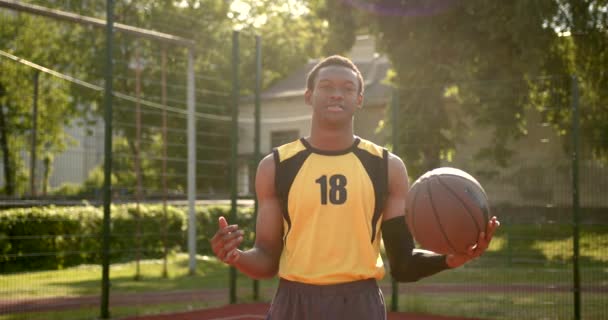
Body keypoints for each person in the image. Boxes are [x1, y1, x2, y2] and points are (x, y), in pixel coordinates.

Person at [211, 55, 500, 320]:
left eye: (348, 88)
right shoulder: (276, 166)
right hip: (294, 302)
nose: (337, 93)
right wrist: (236, 257)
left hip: (359, 304)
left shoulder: (387, 167)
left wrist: (448, 259)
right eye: (326, 86)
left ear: (359, 99)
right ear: (309, 96)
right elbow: (266, 260)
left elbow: (402, 264)